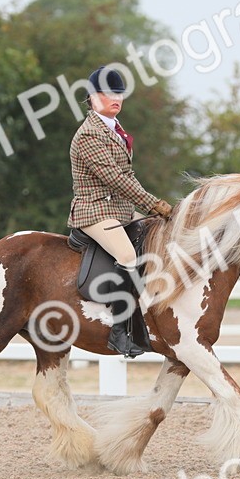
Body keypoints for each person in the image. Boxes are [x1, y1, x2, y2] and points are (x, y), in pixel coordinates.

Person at [68, 65, 173, 357]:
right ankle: (120, 330)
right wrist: (153, 204)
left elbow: (128, 176)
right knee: (127, 256)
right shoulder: (89, 134)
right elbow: (115, 179)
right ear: (92, 97)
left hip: (120, 210)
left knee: (158, 235)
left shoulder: (115, 129)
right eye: (107, 93)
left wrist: (153, 210)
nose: (116, 98)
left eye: (119, 93)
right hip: (94, 211)